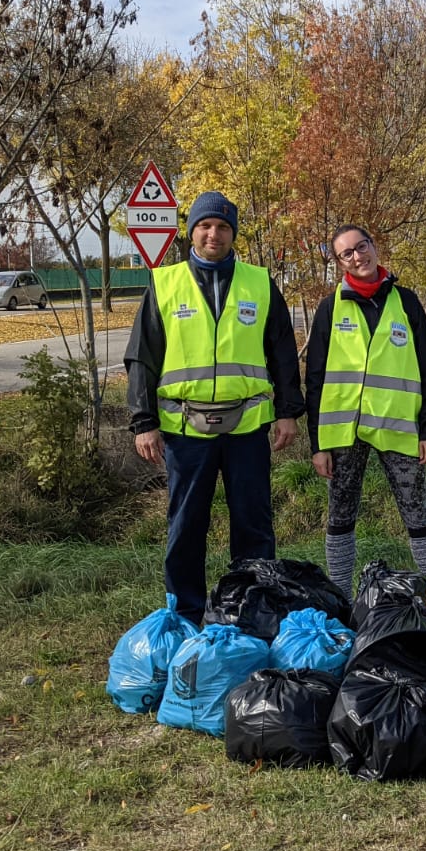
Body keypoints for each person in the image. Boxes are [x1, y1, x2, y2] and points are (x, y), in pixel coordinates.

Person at [125, 191, 304, 625]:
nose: (214, 234)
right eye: (205, 226)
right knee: (186, 526)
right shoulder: (165, 284)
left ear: (233, 234)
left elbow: (281, 350)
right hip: (186, 431)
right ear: (192, 232)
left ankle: (249, 608)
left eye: (223, 227)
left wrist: (287, 411)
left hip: (247, 428)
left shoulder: (259, 283)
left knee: (253, 524)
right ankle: (185, 613)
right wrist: (143, 421)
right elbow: (141, 356)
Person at [305, 225, 426, 594]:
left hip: (398, 429)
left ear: (374, 246)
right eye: (346, 253)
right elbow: (315, 378)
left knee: (418, 516)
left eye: (361, 247)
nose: (357, 257)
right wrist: (317, 444)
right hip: (342, 434)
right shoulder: (329, 308)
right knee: (340, 517)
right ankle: (340, 599)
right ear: (339, 263)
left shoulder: (407, 302)